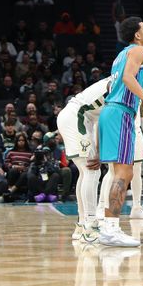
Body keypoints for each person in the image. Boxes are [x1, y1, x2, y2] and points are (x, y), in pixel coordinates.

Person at [97, 17, 143, 248]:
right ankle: (111, 229)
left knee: (121, 174)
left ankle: (107, 226)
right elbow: (127, 78)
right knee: (123, 174)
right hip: (120, 113)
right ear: (137, 34)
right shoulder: (138, 50)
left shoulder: (121, 54)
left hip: (110, 111)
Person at [57, 76, 111, 243]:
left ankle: (82, 225)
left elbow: (97, 121)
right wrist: (100, 153)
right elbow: (105, 120)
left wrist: (98, 150)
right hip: (75, 118)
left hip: (78, 118)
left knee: (85, 172)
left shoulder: (116, 80)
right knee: (92, 171)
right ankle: (90, 226)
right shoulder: (117, 85)